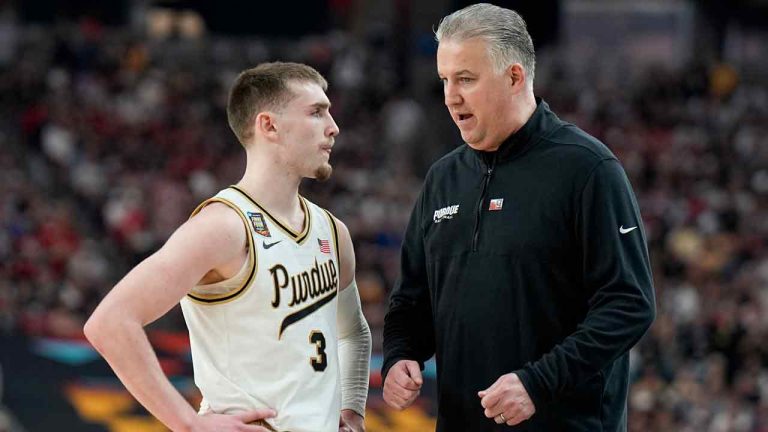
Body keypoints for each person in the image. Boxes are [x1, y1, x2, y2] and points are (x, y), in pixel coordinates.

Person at [382, 4, 656, 431]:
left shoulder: (588, 169)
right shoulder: (443, 178)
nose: (450, 95)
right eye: (445, 80)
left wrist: (538, 383)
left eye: (466, 79)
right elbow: (411, 300)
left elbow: (629, 303)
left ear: (514, 76)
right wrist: (402, 354)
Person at [85, 62, 371, 432]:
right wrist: (187, 422)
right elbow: (110, 322)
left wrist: (352, 411)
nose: (334, 127)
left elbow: (353, 333)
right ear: (269, 125)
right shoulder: (223, 227)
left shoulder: (333, 232)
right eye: (317, 112)